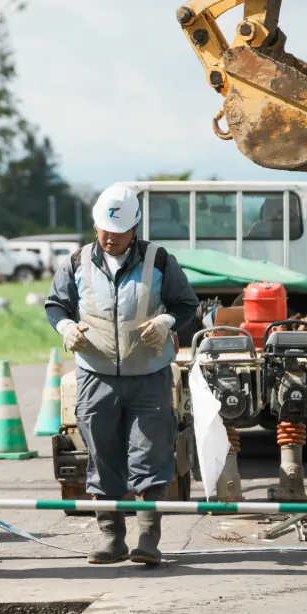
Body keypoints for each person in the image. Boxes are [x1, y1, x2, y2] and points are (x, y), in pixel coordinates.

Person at [45, 184, 199, 565]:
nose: (109, 238)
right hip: (96, 377)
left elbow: (187, 305)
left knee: (150, 455)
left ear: (135, 229)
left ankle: (148, 539)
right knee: (103, 456)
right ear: (95, 226)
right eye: (103, 230)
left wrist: (167, 321)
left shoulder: (159, 261)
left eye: (118, 232)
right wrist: (65, 327)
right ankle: (111, 538)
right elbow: (56, 305)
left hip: (149, 376)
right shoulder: (76, 262)